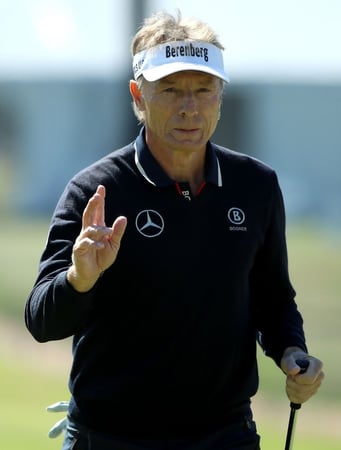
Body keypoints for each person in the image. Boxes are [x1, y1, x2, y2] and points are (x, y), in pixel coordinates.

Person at [24, 11, 324, 450]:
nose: (189, 107)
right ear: (138, 96)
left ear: (220, 97)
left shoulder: (256, 186)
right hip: (110, 437)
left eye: (204, 90)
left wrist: (292, 354)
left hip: (225, 435)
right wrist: (79, 280)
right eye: (169, 90)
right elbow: (41, 320)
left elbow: (272, 298)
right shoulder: (94, 191)